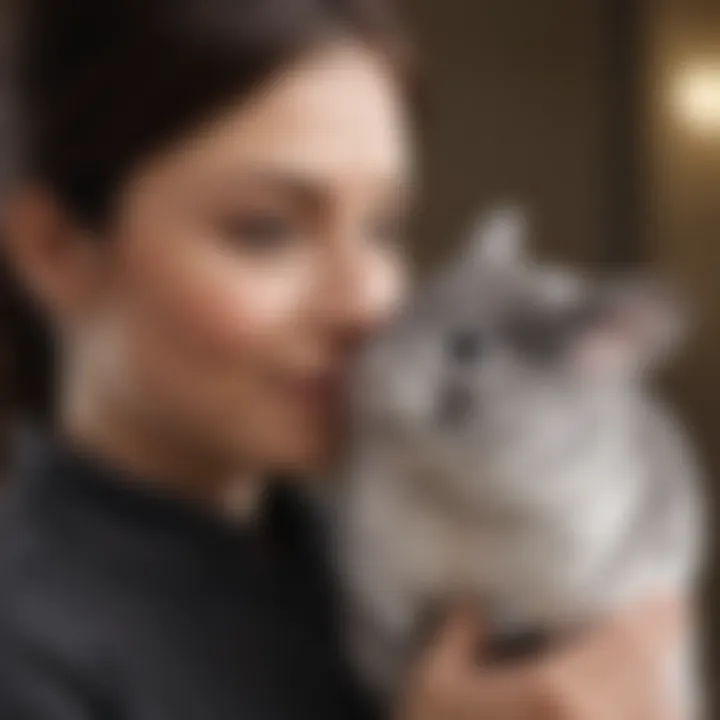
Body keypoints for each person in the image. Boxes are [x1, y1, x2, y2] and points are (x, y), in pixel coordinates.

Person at [0, 0, 686, 718]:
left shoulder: (387, 559)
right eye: (266, 230)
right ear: (54, 249)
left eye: (383, 228)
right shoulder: (27, 648)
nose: (369, 305)